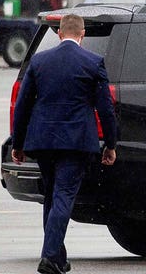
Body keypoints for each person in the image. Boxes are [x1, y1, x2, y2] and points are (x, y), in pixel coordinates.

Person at [11, 14, 117, 274]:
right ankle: (49, 256)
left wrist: (18, 143)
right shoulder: (93, 63)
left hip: (43, 140)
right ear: (83, 35)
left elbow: (23, 105)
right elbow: (105, 109)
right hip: (76, 142)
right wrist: (111, 144)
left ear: (59, 33)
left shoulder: (39, 61)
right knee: (63, 196)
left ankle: (57, 257)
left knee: (51, 196)